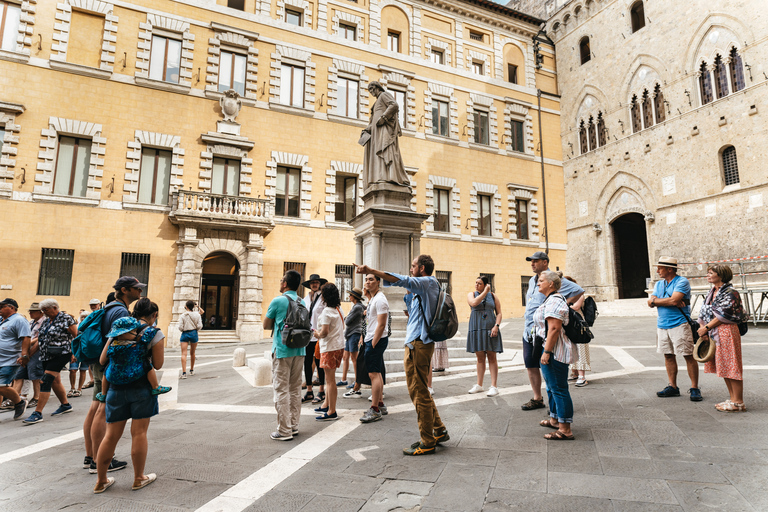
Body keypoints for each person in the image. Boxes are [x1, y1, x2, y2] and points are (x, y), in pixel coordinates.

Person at [356, 255, 449, 456]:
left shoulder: (427, 282)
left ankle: (427, 440)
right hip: (416, 343)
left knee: (418, 392)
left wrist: (369, 269)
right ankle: (439, 430)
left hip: (419, 344)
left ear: (422, 268)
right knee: (420, 389)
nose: (411, 268)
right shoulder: (421, 290)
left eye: (413, 266)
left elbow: (400, 279)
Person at [94, 299, 165, 494]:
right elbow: (158, 364)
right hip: (142, 388)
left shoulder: (119, 328)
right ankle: (139, 478)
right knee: (139, 433)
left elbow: (102, 360)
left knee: (110, 436)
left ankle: (101, 481)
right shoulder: (154, 332)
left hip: (115, 388)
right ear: (154, 315)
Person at [83, 279, 142, 474]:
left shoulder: (109, 307)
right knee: (102, 410)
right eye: (136, 288)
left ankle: (90, 456)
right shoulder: (121, 311)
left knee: (94, 408)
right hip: (108, 364)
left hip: (99, 362)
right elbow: (117, 340)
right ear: (125, 290)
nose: (140, 291)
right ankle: (99, 460)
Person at [522, 252, 583, 411]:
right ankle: (540, 400)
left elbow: (578, 290)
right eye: (531, 261)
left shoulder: (554, 282)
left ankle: (559, 415)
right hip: (530, 330)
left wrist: (565, 305)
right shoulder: (531, 281)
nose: (532, 264)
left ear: (545, 262)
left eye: (535, 261)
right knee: (531, 364)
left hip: (545, 334)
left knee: (552, 376)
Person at [648, 257, 701, 401]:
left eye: (660, 268)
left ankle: (695, 388)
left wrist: (657, 301)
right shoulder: (659, 284)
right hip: (662, 324)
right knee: (668, 355)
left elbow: (674, 300)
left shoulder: (682, 282)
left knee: (688, 355)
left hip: (680, 323)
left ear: (669, 269)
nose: (657, 270)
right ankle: (673, 386)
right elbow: (650, 301)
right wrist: (660, 301)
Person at [697, 265, 747, 412]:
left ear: (721, 275)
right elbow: (704, 311)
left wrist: (706, 328)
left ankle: (738, 402)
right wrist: (704, 328)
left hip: (727, 331)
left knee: (732, 364)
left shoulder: (731, 293)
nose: (708, 275)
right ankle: (733, 399)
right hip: (715, 332)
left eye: (711, 273)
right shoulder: (712, 291)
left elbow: (723, 315)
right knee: (724, 365)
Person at [264, 270, 305, 441]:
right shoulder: (302, 301)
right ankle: (293, 426)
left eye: (282, 280)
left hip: (282, 350)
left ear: (285, 284)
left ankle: (284, 430)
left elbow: (266, 325)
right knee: (295, 389)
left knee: (281, 390)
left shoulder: (278, 300)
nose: (280, 282)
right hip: (300, 349)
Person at [535, 271, 576, 440]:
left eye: (541, 280)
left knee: (559, 389)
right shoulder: (550, 300)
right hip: (551, 349)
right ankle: (555, 419)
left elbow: (554, 329)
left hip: (555, 351)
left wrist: (546, 352)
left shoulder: (554, 301)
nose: (538, 283)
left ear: (551, 284)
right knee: (551, 387)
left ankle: (565, 429)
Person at [22, 299, 76, 424]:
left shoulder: (66, 318)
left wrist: (74, 353)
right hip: (46, 355)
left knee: (45, 380)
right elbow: (40, 341)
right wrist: (28, 356)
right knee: (55, 381)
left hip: (62, 354)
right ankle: (65, 405)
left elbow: (76, 336)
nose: (44, 312)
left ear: (54, 307)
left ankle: (38, 413)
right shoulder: (46, 321)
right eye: (43, 310)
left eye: (46, 310)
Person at [361, 81, 410, 190]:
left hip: (384, 131)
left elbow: (394, 105)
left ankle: (388, 177)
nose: (372, 92)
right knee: (378, 156)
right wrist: (367, 129)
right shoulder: (376, 103)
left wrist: (384, 118)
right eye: (370, 91)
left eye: (372, 89)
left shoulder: (384, 95)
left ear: (378, 87)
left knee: (385, 152)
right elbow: (373, 121)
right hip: (375, 134)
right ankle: (380, 176)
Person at [355, 271, 390, 424]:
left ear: (378, 282)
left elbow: (382, 324)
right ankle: (380, 404)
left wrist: (373, 342)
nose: (367, 282)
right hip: (371, 339)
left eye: (371, 279)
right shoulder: (374, 298)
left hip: (376, 340)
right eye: (366, 279)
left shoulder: (381, 299)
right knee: (377, 373)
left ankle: (374, 409)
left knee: (373, 374)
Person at [467, 276, 503, 397]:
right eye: (476, 282)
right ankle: (479, 385)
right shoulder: (471, 294)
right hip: (476, 328)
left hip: (490, 328)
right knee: (480, 358)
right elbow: (474, 303)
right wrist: (485, 292)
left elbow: (499, 313)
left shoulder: (493, 296)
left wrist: (496, 326)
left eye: (480, 283)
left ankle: (494, 386)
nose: (476, 285)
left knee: (492, 357)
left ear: (485, 284)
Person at [314, 283, 345, 421]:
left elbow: (325, 332)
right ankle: (326, 404)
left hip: (329, 347)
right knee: (329, 379)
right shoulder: (339, 309)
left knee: (330, 381)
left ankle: (332, 411)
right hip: (338, 346)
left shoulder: (327, 312)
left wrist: (317, 334)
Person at [0, 298, 31, 420]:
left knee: (1, 385)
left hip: (10, 359)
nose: (0, 309)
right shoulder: (2, 321)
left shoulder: (19, 320)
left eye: (2, 307)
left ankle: (19, 402)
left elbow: (26, 338)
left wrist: (24, 355)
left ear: (11, 307)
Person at [9, 303, 45, 410]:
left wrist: (27, 343)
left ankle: (37, 397)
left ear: (40, 312)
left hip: (37, 350)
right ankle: (14, 399)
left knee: (35, 375)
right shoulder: (30, 322)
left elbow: (39, 338)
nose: (30, 313)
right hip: (26, 350)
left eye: (33, 311)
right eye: (30, 311)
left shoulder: (44, 322)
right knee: (19, 375)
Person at [302, 274, 327, 404]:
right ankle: (309, 391)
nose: (314, 284)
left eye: (317, 282)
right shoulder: (306, 299)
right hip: (308, 335)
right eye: (312, 283)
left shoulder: (323, 298)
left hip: (319, 335)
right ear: (309, 285)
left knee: (319, 364)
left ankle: (322, 391)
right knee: (307, 363)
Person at [564, 276, 591, 387]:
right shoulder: (567, 296)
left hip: (578, 326)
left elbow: (576, 307)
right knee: (571, 348)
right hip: (570, 325)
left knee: (580, 349)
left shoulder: (579, 294)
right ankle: (575, 373)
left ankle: (582, 377)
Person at [340, 287, 364, 388]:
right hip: (350, 334)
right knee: (345, 357)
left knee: (354, 358)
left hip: (354, 334)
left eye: (350, 295)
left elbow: (347, 321)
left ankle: (357, 380)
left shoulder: (357, 307)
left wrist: (347, 317)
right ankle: (343, 379)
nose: (349, 296)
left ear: (354, 297)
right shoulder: (356, 306)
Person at [178, 300, 204, 379]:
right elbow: (200, 325)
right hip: (194, 333)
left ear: (186, 306)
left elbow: (180, 327)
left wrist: (184, 329)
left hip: (185, 334)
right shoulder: (197, 315)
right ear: (193, 306)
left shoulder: (183, 315)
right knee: (192, 353)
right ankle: (192, 370)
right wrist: (197, 306)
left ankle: (184, 373)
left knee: (183, 353)